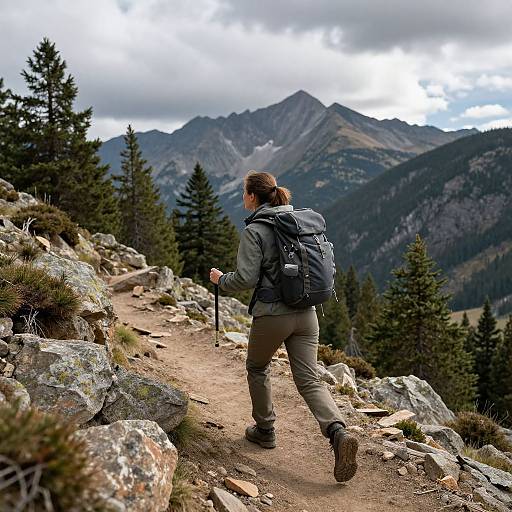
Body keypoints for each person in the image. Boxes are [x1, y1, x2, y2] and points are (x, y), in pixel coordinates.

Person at [209, 170, 358, 483]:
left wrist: (221, 279)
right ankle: (337, 431)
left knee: (257, 367)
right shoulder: (298, 222)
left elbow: (246, 279)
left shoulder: (256, 230)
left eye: (243, 192)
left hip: (273, 315)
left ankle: (265, 430)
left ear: (253, 196)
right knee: (309, 379)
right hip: (307, 313)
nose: (242, 197)